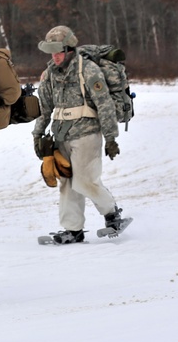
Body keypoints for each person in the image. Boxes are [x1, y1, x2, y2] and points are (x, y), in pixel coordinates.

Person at [32, 25, 128, 243]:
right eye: (52, 52)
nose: (54, 56)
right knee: (66, 182)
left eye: (58, 51)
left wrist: (111, 138)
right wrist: (37, 135)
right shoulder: (49, 75)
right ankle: (72, 229)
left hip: (87, 133)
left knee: (85, 181)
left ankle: (113, 215)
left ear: (68, 49)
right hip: (61, 135)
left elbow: (104, 104)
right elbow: (45, 107)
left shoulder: (88, 70)